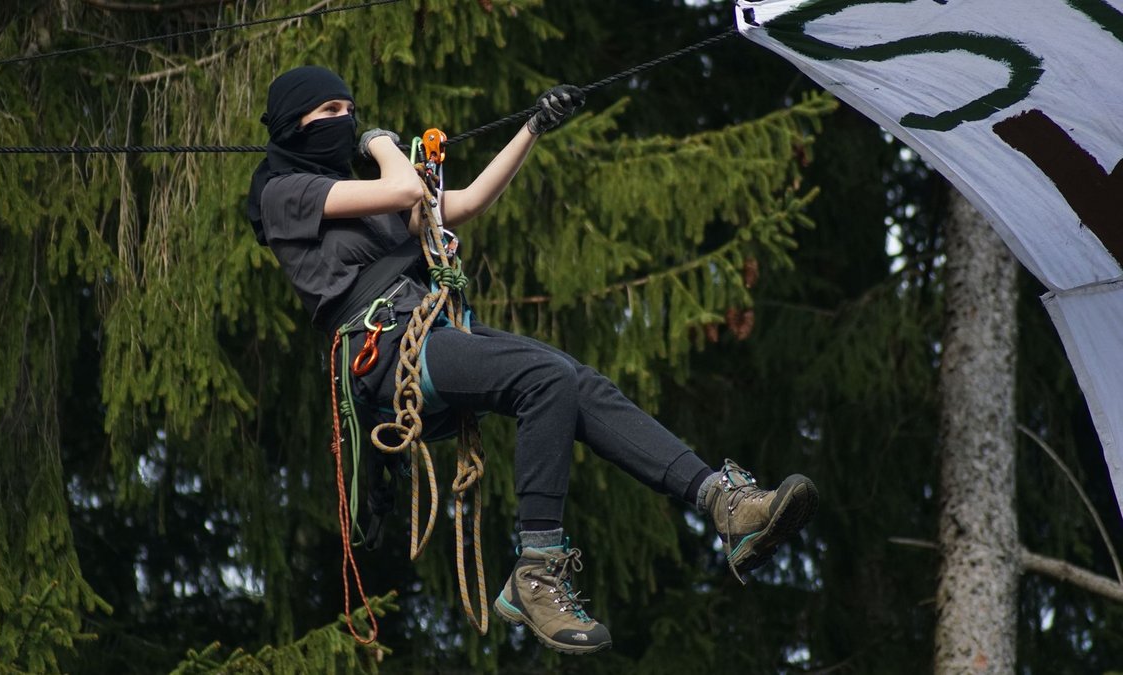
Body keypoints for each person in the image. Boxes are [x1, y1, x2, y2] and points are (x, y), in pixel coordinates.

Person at [247, 65, 819, 656]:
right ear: (295, 126)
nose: (345, 122)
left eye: (349, 110)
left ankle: (721, 501)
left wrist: (531, 130)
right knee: (543, 378)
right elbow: (406, 191)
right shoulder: (284, 192)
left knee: (575, 381)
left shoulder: (355, 200)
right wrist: (380, 143)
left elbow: (460, 204)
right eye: (330, 113)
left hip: (427, 330)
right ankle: (537, 569)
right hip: (385, 350)